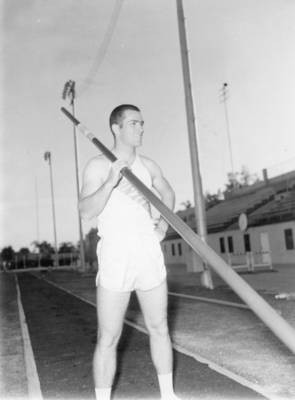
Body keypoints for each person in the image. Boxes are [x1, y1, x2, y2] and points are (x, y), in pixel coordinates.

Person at [79, 104, 179, 400]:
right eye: (134, 123)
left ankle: (168, 394)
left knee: (159, 326)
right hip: (116, 256)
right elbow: (86, 211)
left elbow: (168, 194)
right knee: (108, 337)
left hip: (148, 253)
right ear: (116, 128)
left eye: (142, 123)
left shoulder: (148, 165)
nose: (141, 128)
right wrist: (111, 181)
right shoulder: (98, 166)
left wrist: (162, 226)